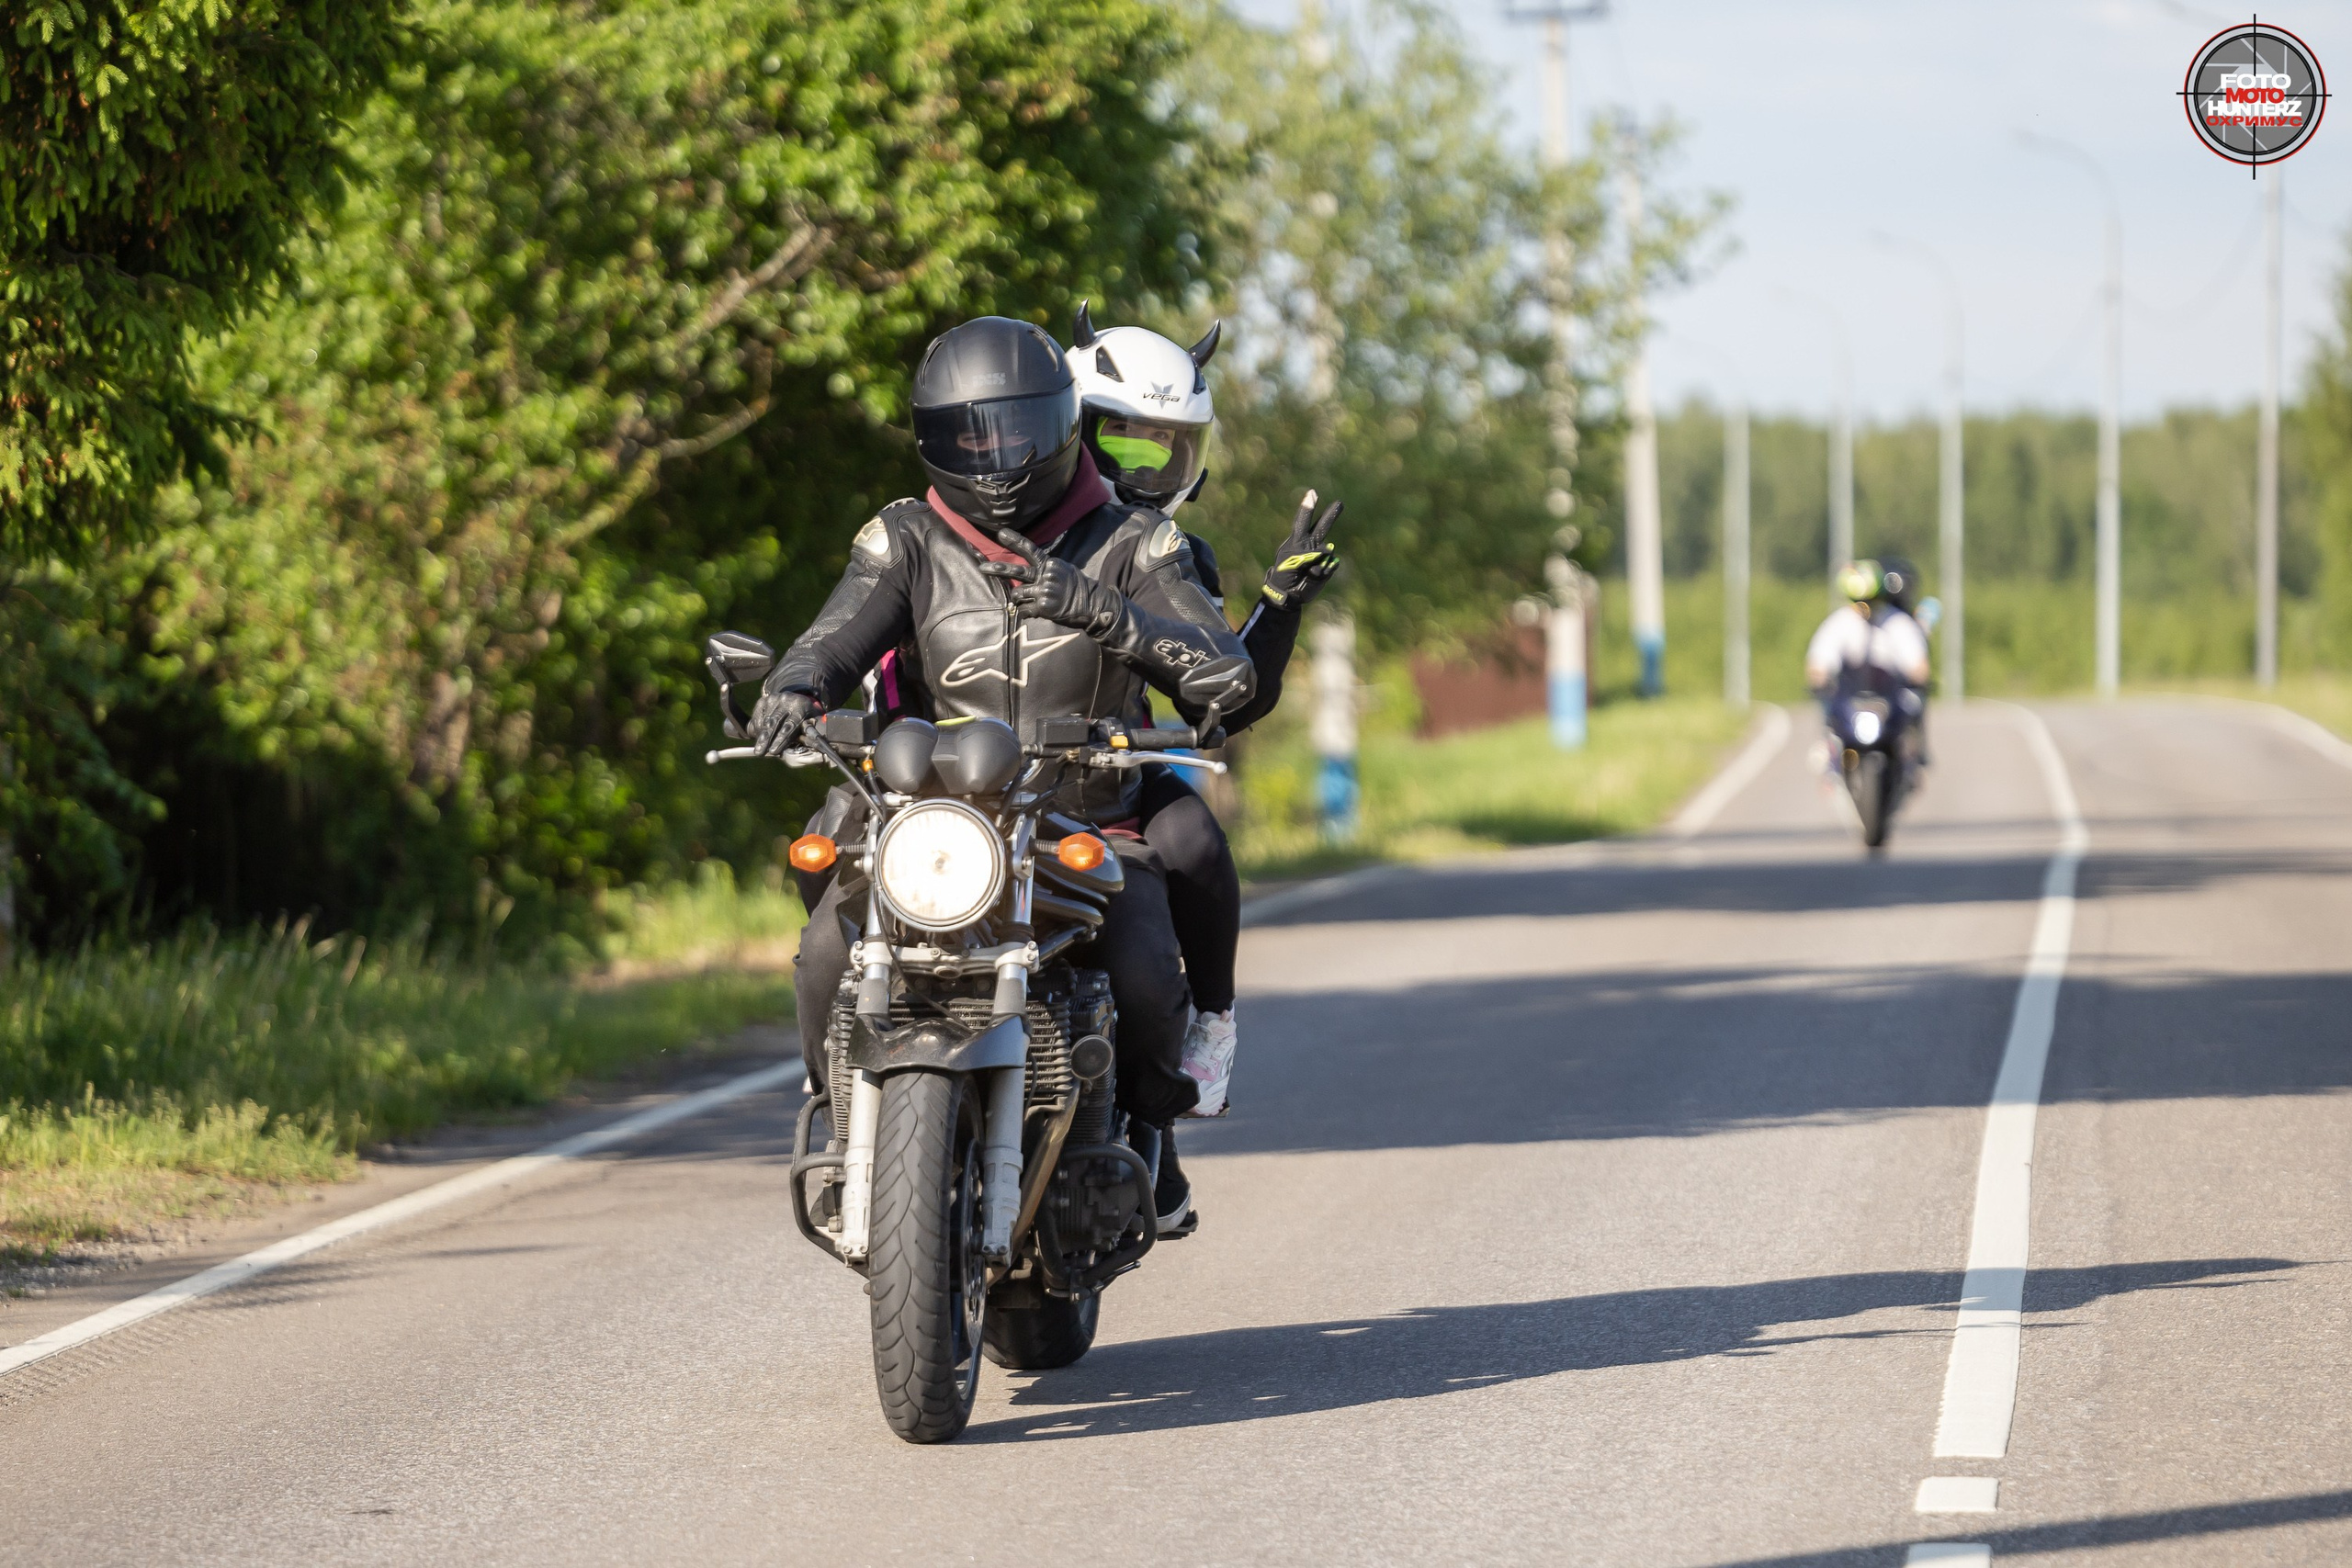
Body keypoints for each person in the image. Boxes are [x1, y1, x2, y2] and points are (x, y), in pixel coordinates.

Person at [752, 315, 1252, 1233]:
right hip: (941, 818)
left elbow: (1224, 670)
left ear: (1062, 423)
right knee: (827, 949)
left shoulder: (1135, 543)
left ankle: (1147, 1142)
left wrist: (1102, 610)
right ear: (931, 438)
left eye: (1010, 430)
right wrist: (792, 687)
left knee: (1145, 971)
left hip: (1085, 822)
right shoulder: (905, 537)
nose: (990, 455)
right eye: (966, 434)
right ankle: (846, 1128)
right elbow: (835, 635)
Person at [1067, 303, 1341, 1122]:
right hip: (976, 767)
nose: (1146, 468)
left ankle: (1211, 1026)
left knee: (1192, 839)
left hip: (1106, 765)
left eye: (1169, 446)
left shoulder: (1174, 551)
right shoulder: (998, 519)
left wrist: (1279, 607)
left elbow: (1218, 700)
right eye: (1124, 439)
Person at [1804, 557, 1931, 766]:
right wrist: (1818, 677)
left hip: (1889, 695)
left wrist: (1918, 675)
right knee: (1828, 707)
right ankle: (1828, 747)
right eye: (1858, 602)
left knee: (1913, 707)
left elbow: (1916, 661)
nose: (1865, 608)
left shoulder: (1897, 622)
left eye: (1871, 601)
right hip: (1851, 694)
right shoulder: (1840, 622)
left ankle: (1912, 756)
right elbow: (1820, 657)